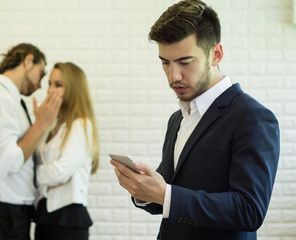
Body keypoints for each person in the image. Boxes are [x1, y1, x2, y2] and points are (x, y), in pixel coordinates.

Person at [110, 0, 280, 239]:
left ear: (216, 54)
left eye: (185, 62)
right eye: (165, 62)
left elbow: (249, 211)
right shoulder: (176, 120)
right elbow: (170, 191)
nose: (173, 76)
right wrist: (144, 190)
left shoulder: (253, 117)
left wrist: (165, 195)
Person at [0, 43, 63, 240]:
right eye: (41, 73)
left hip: (3, 214)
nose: (40, 85)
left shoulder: (6, 98)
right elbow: (8, 163)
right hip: (5, 215)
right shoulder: (0, 100)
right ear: (28, 61)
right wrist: (41, 124)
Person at [33, 62, 99, 240]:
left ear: (73, 89)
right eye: (50, 84)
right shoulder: (52, 124)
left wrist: (33, 176)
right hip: (45, 216)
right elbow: (41, 165)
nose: (50, 91)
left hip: (68, 220)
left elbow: (59, 173)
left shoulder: (81, 125)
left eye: (58, 85)